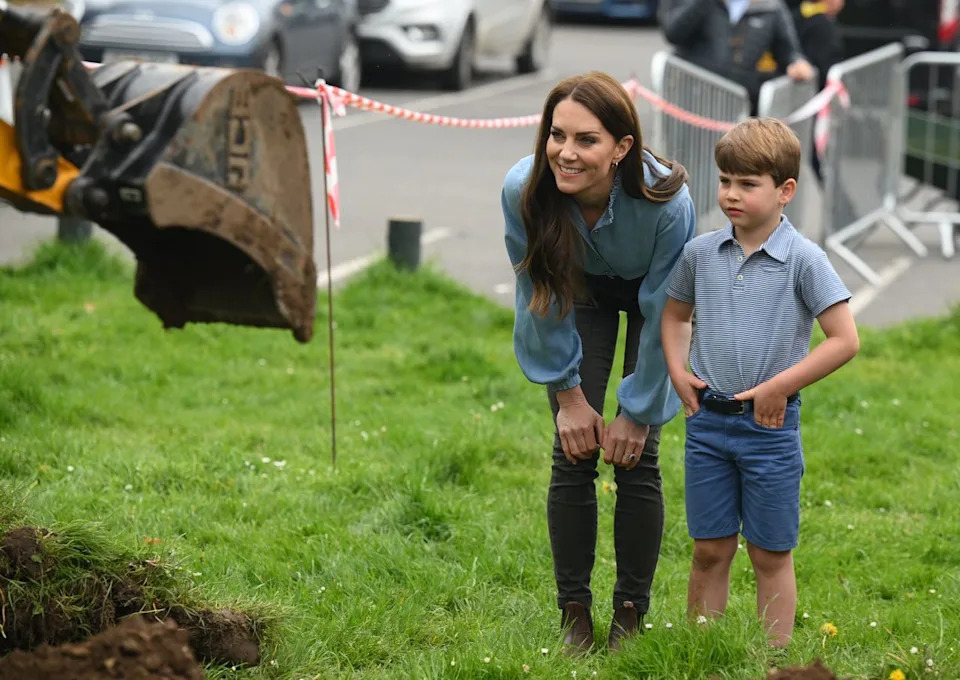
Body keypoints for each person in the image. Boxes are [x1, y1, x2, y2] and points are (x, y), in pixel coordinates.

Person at [501, 71, 696, 655]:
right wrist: (568, 397)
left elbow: (669, 312)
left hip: (650, 299)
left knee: (639, 455)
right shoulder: (524, 190)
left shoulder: (667, 201)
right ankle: (575, 616)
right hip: (576, 290)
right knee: (574, 447)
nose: (566, 152)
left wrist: (637, 412)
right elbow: (538, 294)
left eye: (587, 140)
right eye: (556, 135)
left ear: (622, 148)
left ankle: (630, 617)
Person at [661, 118, 860, 647]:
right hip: (708, 427)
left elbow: (844, 339)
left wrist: (778, 386)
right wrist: (678, 371)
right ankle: (704, 650)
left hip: (770, 430)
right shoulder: (700, 254)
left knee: (769, 553)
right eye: (725, 180)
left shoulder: (805, 260)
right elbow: (676, 316)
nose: (731, 194)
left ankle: (775, 660)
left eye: (748, 184)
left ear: (785, 191)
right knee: (709, 548)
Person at [659, 0, 815, 114]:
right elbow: (673, 32)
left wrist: (797, 63)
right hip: (691, 102)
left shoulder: (771, 7)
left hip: (740, 107)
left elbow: (788, 51)